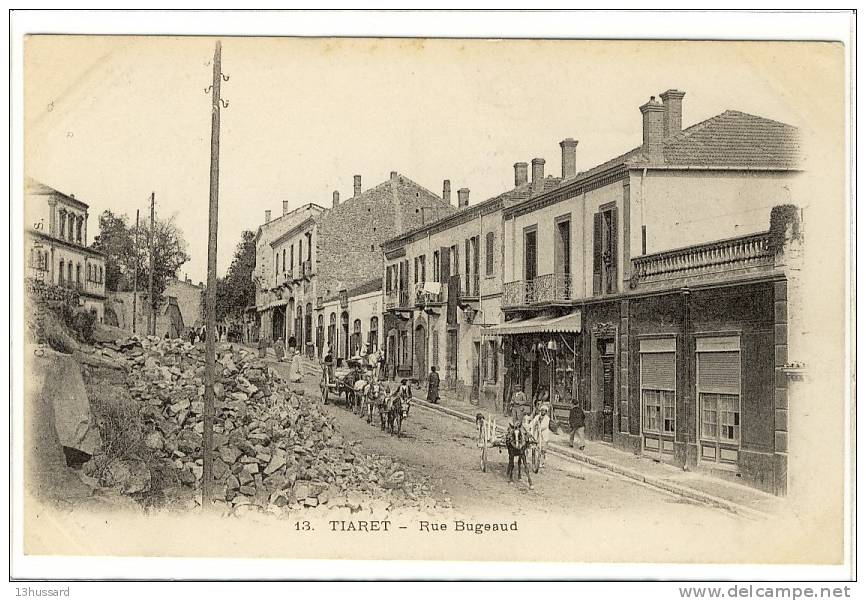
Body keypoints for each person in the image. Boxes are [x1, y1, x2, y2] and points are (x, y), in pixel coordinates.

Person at [529, 404, 551, 468]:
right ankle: (537, 461)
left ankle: (542, 462)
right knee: (537, 448)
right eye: (542, 410)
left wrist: (538, 427)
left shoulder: (547, 418)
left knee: (543, 450)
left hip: (543, 435)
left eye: (544, 411)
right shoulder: (537, 417)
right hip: (537, 435)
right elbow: (533, 422)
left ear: (546, 412)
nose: (542, 412)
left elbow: (544, 426)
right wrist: (531, 426)